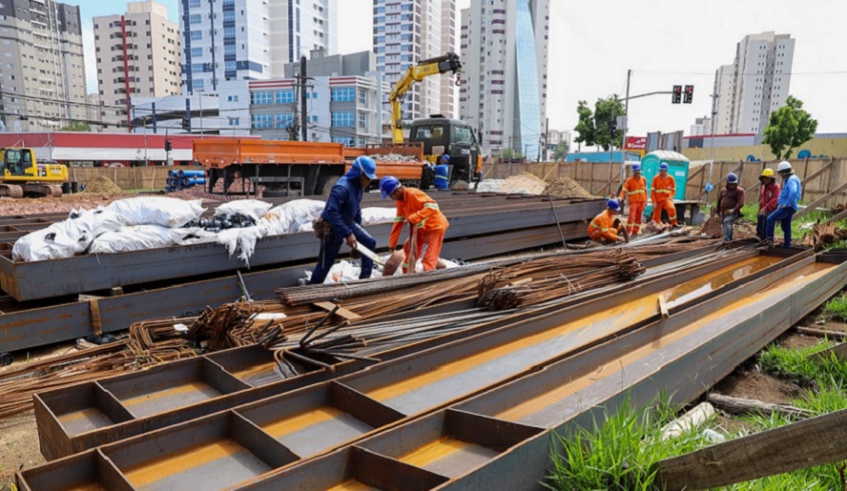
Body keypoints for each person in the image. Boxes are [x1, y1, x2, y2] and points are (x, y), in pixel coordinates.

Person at [309, 156, 378, 284]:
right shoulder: (342, 187)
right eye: (367, 178)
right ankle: (311, 290)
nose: (369, 181)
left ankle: (363, 283)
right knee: (325, 264)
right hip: (332, 226)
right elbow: (331, 212)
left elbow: (356, 209)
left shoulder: (358, 187)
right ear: (359, 173)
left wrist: (357, 235)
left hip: (348, 223)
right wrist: (347, 234)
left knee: (369, 243)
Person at [380, 176, 450, 273]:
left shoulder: (413, 193)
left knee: (429, 259)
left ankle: (427, 283)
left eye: (390, 195)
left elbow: (433, 206)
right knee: (408, 250)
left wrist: (415, 217)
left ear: (396, 191)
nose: (391, 198)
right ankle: (408, 277)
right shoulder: (399, 202)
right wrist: (392, 243)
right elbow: (399, 220)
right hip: (420, 230)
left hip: (434, 228)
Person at [765, 161, 802, 248]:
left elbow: (793, 191)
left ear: (784, 172)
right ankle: (786, 245)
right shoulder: (792, 178)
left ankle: (769, 241)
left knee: (770, 219)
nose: (781, 176)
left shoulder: (791, 180)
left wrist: (787, 203)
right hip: (790, 206)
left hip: (788, 207)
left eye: (781, 173)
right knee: (786, 226)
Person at [714, 172, 746, 242]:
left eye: (733, 184)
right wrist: (717, 213)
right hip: (724, 213)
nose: (732, 186)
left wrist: (733, 210)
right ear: (727, 183)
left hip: (734, 212)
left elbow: (741, 203)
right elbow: (719, 202)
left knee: (727, 221)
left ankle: (726, 240)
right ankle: (730, 239)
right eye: (730, 184)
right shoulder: (723, 191)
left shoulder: (739, 191)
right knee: (725, 222)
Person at [619, 163, 648, 235]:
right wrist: (621, 197)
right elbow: (624, 190)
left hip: (642, 202)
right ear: (633, 172)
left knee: (638, 219)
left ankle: (635, 232)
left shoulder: (643, 179)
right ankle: (627, 232)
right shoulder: (629, 180)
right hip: (634, 202)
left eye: (638, 171)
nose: (637, 173)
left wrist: (646, 200)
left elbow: (645, 190)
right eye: (636, 172)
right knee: (631, 218)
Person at [651, 162, 678, 227]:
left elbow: (673, 190)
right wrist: (654, 202)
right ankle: (657, 228)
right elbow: (652, 191)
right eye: (661, 170)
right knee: (656, 218)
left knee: (672, 209)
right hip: (658, 200)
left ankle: (674, 224)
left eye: (664, 171)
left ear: (666, 170)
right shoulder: (655, 179)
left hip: (666, 199)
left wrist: (671, 196)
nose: (662, 172)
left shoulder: (671, 179)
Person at [757, 168, 780, 240]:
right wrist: (760, 208)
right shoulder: (763, 187)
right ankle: (760, 236)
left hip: (772, 209)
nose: (766, 180)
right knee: (760, 216)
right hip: (764, 208)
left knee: (768, 220)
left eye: (767, 178)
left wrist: (766, 207)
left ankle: (769, 238)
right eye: (764, 178)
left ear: (771, 179)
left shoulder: (776, 187)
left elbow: (775, 199)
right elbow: (762, 199)